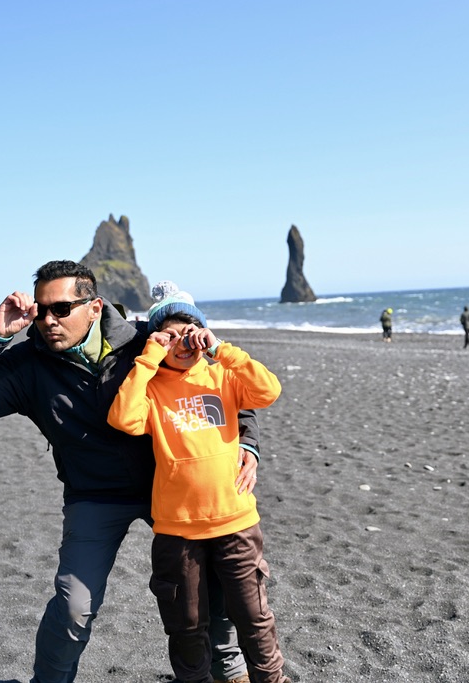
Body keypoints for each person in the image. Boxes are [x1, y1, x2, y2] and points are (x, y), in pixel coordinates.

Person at [0, 261, 260, 683]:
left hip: (171, 488)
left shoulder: (147, 340)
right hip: (94, 494)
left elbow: (219, 382)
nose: (48, 320)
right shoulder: (30, 364)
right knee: (73, 604)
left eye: (62, 308)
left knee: (215, 580)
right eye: (42, 309)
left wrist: (247, 442)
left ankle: (228, 670)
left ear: (94, 307)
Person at [108, 282, 291, 683]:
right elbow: (123, 418)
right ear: (157, 339)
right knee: (187, 626)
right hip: (177, 529)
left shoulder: (221, 375)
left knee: (254, 619)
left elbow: (269, 390)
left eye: (190, 334)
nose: (182, 343)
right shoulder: (152, 388)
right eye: (171, 336)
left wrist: (221, 347)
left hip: (236, 521)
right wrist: (150, 356)